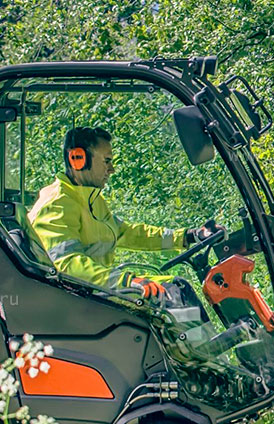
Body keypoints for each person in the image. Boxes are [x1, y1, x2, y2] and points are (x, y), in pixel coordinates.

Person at [28, 126, 207, 299]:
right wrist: (126, 282)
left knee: (178, 287)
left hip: (94, 294)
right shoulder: (56, 204)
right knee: (173, 295)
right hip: (76, 301)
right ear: (78, 159)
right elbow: (67, 265)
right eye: (106, 161)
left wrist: (187, 236)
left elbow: (127, 233)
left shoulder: (90, 199)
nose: (112, 169)